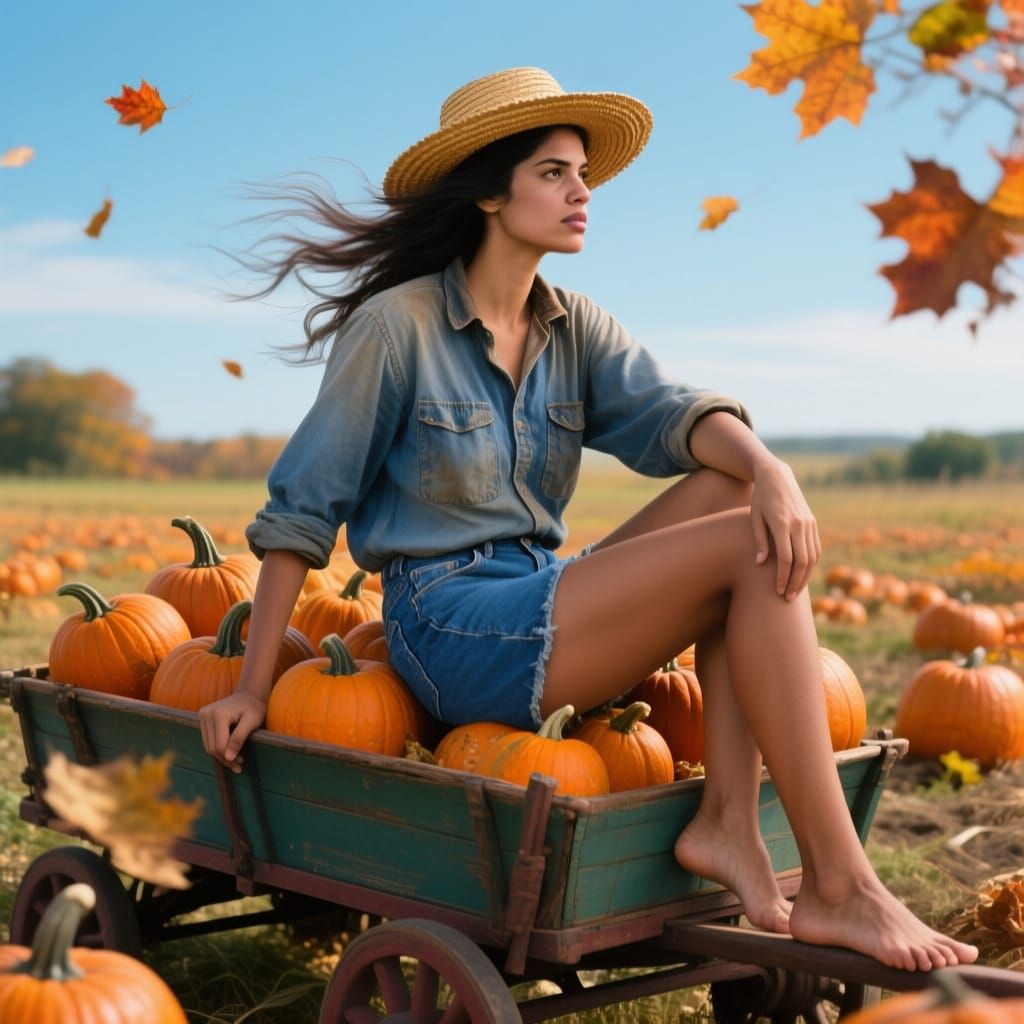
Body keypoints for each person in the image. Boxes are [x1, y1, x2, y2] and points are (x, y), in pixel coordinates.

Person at [199, 67, 977, 972]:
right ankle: (840, 885)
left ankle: (729, 819)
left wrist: (772, 469)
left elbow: (675, 415)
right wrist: (252, 686)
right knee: (746, 545)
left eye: (583, 174)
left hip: (538, 593)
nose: (582, 192)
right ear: (491, 193)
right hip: (447, 626)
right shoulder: (394, 328)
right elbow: (302, 511)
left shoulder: (574, 326)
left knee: (735, 496)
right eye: (553, 173)